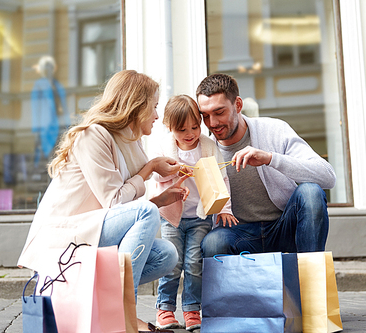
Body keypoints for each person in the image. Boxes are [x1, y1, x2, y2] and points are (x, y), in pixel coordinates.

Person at [18, 70, 189, 333]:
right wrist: (151, 168)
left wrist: (159, 198)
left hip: (92, 231)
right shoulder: (93, 135)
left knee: (167, 254)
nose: (157, 116)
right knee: (144, 211)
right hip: (65, 239)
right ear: (136, 105)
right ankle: (122, 313)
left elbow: (124, 210)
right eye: (154, 107)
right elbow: (114, 201)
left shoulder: (130, 143)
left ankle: (105, 303)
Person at [195, 73, 336, 257]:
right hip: (239, 233)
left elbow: (327, 176)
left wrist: (270, 158)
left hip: (283, 226)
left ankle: (312, 281)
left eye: (219, 112)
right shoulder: (205, 151)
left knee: (310, 192)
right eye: (205, 116)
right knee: (214, 242)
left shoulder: (274, 130)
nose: (212, 123)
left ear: (238, 105)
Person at [151, 95, 237, 331]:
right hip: (172, 216)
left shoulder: (208, 146)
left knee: (194, 263)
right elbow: (157, 176)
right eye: (182, 129)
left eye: (195, 127)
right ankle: (165, 309)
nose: (190, 134)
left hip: (199, 217)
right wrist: (177, 171)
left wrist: (224, 209)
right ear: (170, 127)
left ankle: (192, 309)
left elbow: (222, 179)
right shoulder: (164, 147)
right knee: (172, 264)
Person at [31, 55, 71, 168]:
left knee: (59, 155)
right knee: (47, 156)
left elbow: (64, 106)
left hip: (59, 125)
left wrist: (67, 124)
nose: (48, 68)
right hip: (46, 126)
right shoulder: (39, 85)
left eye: (50, 66)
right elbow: (35, 108)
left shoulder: (57, 85)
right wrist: (36, 129)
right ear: (43, 68)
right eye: (46, 66)